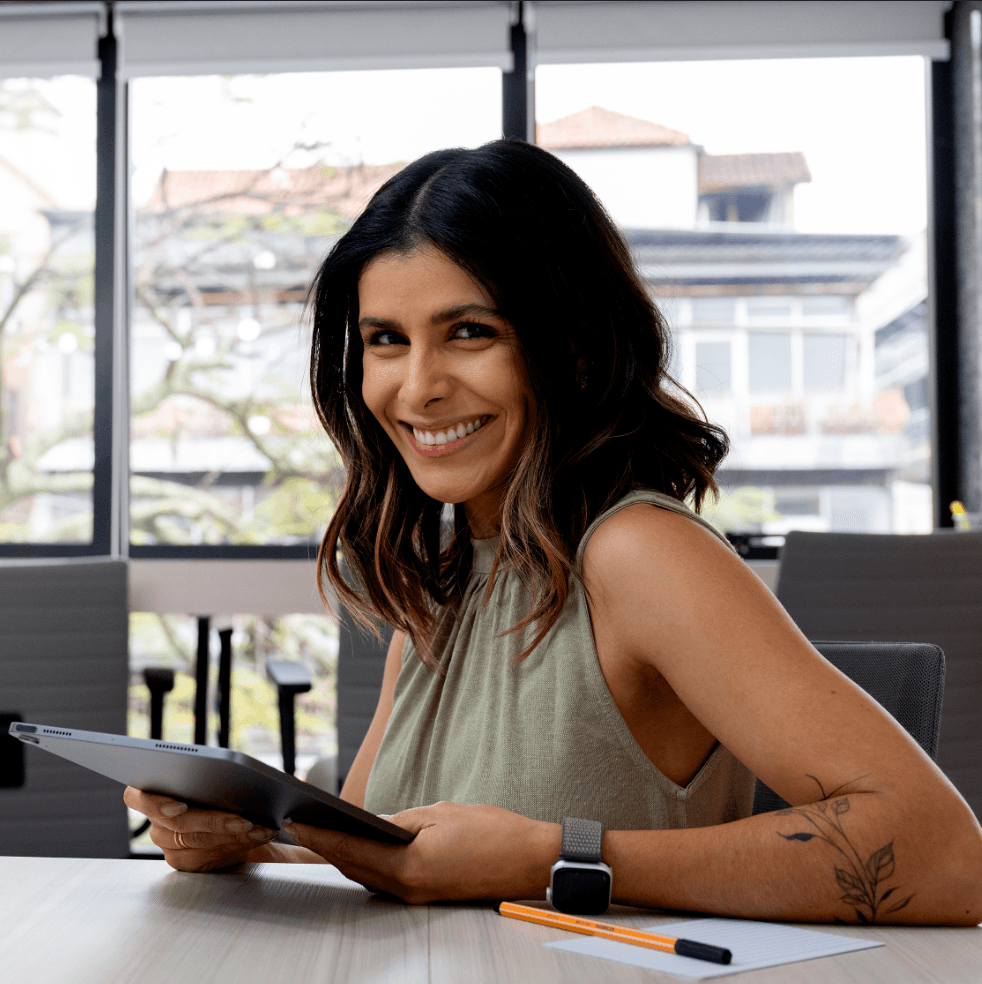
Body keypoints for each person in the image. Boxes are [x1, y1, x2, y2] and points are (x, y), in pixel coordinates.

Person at [126, 139, 982, 925]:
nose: (417, 388)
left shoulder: (639, 555)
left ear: (572, 345)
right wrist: (254, 845)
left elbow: (946, 856)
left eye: (470, 332)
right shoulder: (443, 588)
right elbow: (416, 869)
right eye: (386, 340)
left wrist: (557, 857)